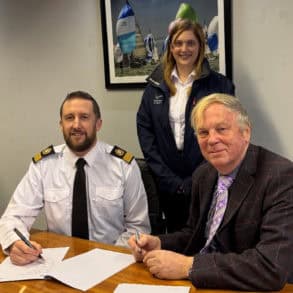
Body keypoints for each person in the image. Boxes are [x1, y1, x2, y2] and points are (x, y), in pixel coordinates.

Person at [129, 93, 293, 291]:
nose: (212, 139)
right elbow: (195, 233)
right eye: (203, 132)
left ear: (245, 132)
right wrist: (159, 243)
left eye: (222, 129)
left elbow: (270, 267)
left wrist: (188, 267)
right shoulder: (204, 174)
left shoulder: (281, 176)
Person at [0, 90, 150, 265]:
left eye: (84, 117)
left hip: (110, 261)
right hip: (58, 262)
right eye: (69, 118)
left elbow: (139, 228)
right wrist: (14, 244)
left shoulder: (124, 166)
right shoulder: (43, 166)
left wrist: (110, 258)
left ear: (98, 124)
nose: (76, 125)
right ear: (61, 124)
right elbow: (14, 216)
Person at [137, 19, 234, 233]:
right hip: (166, 182)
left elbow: (225, 133)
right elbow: (145, 132)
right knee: (174, 240)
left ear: (200, 46)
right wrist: (167, 178)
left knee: (207, 239)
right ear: (171, 47)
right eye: (178, 43)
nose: (184, 49)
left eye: (191, 43)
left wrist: (197, 177)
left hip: (209, 177)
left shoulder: (220, 85)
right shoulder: (154, 86)